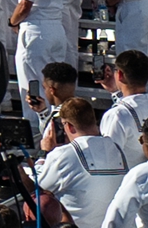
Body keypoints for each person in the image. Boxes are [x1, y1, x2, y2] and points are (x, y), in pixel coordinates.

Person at [37, 98, 132, 228]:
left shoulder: (62, 154)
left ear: (69, 126)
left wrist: (44, 154)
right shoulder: (116, 149)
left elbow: (37, 187)